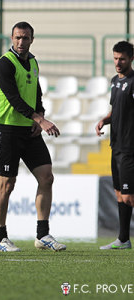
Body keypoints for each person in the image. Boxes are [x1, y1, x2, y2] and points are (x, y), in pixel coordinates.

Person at [0, 21, 66, 252]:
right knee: (7, 184)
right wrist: (40, 120)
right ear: (11, 39)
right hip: (8, 130)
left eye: (25, 38)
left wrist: (40, 113)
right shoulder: (3, 64)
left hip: (29, 129)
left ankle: (42, 235)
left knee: (47, 177)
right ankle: (0, 238)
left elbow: (36, 92)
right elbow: (14, 99)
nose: (21, 42)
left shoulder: (33, 62)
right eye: (17, 38)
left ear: (32, 39)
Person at [96, 40, 134, 250]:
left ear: (131, 59)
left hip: (130, 148)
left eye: (122, 59)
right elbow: (116, 110)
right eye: (115, 59)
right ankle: (123, 239)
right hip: (116, 146)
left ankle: (123, 239)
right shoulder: (114, 81)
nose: (118, 63)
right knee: (120, 194)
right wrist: (104, 120)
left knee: (129, 197)